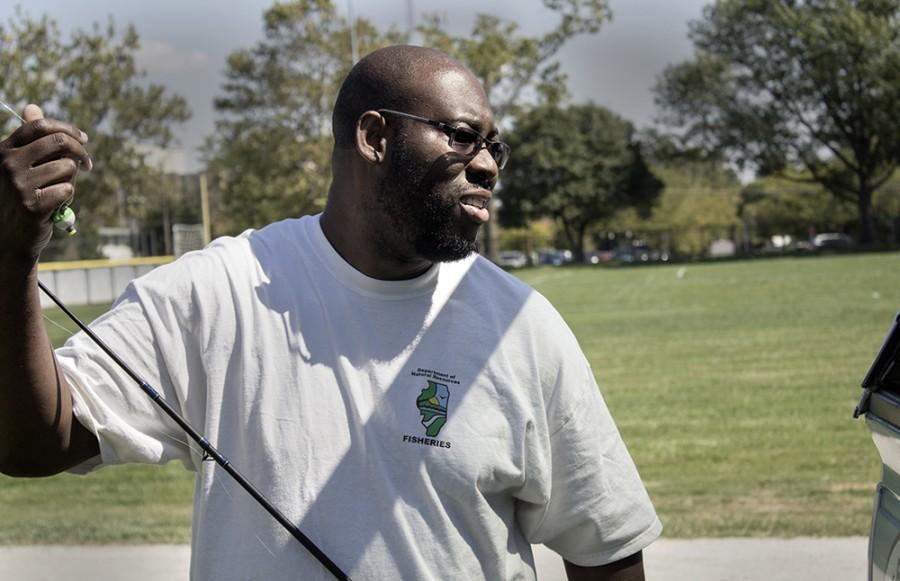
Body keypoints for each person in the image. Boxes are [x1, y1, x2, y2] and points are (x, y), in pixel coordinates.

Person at [0, 46, 661, 580]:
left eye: (494, 146)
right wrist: (13, 257)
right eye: (462, 137)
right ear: (375, 136)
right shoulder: (214, 294)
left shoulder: (522, 327)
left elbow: (604, 550)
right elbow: (31, 443)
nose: (486, 164)